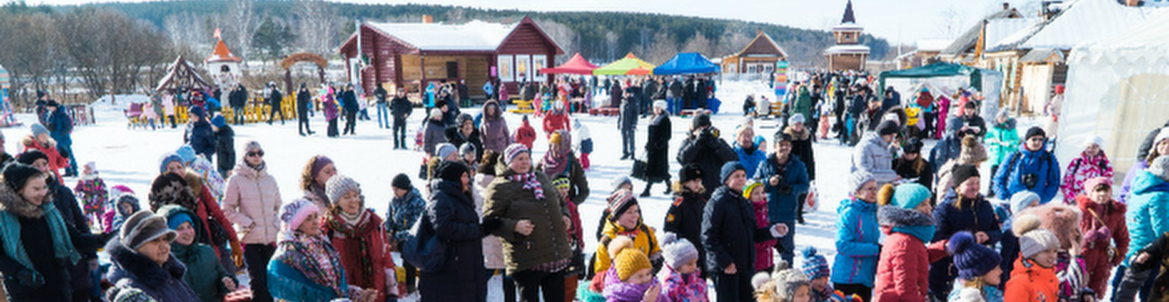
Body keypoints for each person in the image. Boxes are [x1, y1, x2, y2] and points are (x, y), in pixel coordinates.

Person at [0, 163, 111, 302]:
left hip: (58, 288)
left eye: (44, 187)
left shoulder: (50, 212)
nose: (43, 192)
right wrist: (19, 272)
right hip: (25, 292)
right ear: (18, 190)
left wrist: (103, 239)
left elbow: (76, 239)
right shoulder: (3, 219)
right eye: (36, 188)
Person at [482, 144, 573, 302]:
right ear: (509, 162)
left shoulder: (540, 177)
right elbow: (489, 221)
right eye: (519, 159)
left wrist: (565, 216)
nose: (525, 162)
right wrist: (514, 226)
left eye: (527, 158)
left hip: (554, 255)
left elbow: (560, 202)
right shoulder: (499, 187)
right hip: (526, 258)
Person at [703, 162, 789, 302]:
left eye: (743, 175)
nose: (741, 179)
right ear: (726, 180)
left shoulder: (744, 202)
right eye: (736, 176)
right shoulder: (718, 202)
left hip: (746, 265)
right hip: (726, 268)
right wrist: (725, 262)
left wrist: (772, 231)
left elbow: (753, 234)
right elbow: (708, 237)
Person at [18, 150, 97, 302]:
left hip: (74, 264)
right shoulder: (20, 200)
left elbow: (81, 224)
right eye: (36, 165)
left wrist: (92, 254)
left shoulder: (63, 192)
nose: (42, 168)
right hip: (46, 270)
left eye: (44, 164)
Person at [268, 198, 374, 302]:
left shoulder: (325, 247)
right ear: (296, 224)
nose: (315, 222)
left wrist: (359, 294)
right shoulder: (285, 255)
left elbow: (334, 288)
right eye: (308, 219)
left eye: (315, 217)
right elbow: (289, 295)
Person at [221, 141, 282, 302]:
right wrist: (247, 223)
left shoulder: (270, 179)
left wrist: (275, 224)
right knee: (257, 281)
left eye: (259, 153)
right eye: (252, 153)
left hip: (270, 238)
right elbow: (227, 209)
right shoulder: (236, 180)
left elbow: (278, 206)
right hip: (250, 238)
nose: (256, 157)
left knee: (271, 279)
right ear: (244, 156)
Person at [322, 175, 398, 302]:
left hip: (378, 296)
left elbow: (385, 259)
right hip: (346, 297)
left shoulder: (374, 224)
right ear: (336, 202)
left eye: (355, 195)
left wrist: (392, 293)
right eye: (346, 197)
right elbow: (327, 272)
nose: (353, 200)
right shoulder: (328, 230)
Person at [931, 165, 1002, 300]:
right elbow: (937, 239)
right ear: (958, 186)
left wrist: (988, 236)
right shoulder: (945, 209)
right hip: (950, 269)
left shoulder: (984, 205)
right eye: (970, 184)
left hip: (980, 270)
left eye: (977, 183)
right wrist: (967, 241)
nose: (975, 187)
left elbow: (997, 232)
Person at [418, 161, 487, 301]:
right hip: (449, 269)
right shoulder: (441, 198)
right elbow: (444, 228)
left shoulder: (459, 197)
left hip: (464, 265)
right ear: (453, 178)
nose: (468, 180)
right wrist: (479, 230)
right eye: (464, 176)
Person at [871, 183, 947, 302]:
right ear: (908, 208)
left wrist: (945, 247)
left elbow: (918, 257)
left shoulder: (910, 236)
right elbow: (905, 289)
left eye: (928, 203)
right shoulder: (904, 241)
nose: (929, 208)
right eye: (923, 204)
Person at [105, 210, 199, 302]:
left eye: (165, 239)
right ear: (135, 248)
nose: (163, 246)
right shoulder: (132, 289)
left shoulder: (169, 274)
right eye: (155, 240)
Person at [1112, 156, 1169, 300]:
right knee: (1149, 292)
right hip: (1148, 251)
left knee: (1122, 288)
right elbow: (1162, 229)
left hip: (1132, 246)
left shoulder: (1141, 188)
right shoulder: (1160, 195)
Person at [159, 205, 239, 302]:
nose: (187, 232)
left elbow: (222, 275)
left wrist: (227, 283)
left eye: (189, 226)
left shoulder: (207, 251)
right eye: (180, 228)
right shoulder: (164, 260)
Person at [755, 132, 809, 264]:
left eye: (787, 145)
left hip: (787, 213)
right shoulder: (765, 163)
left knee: (787, 249)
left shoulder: (798, 165)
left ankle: (786, 276)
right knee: (763, 247)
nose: (784, 148)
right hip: (767, 212)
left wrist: (791, 189)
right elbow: (754, 183)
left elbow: (805, 186)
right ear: (774, 146)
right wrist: (768, 182)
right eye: (781, 145)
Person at [1071, 177, 1128, 299]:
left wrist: (1117, 257)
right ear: (1090, 192)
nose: (1102, 195)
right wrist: (1085, 239)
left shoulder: (1116, 213)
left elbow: (1123, 239)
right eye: (1098, 191)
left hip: (1102, 261)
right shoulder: (1079, 211)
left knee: (1095, 294)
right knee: (1075, 293)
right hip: (1081, 258)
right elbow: (1067, 236)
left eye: (1106, 191)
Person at [831, 171, 880, 302]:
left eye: (875, 188)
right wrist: (875, 249)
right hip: (848, 278)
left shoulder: (871, 212)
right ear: (857, 191)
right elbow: (843, 245)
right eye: (869, 189)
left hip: (866, 277)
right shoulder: (850, 213)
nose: (874, 192)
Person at [593, 190, 661, 276]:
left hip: (646, 282)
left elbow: (655, 252)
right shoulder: (608, 240)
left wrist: (653, 264)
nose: (635, 216)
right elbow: (601, 273)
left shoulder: (645, 231)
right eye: (629, 212)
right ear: (618, 216)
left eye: (636, 211)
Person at [993, 127, 1061, 204]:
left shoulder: (1049, 158)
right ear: (1027, 140)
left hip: (1036, 204)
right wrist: (1003, 195)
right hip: (1013, 202)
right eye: (1034, 139)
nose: (1037, 142)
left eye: (1040, 139)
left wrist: (1044, 198)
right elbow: (999, 178)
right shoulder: (1014, 156)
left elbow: (1054, 181)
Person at [678, 113, 737, 200]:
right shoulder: (688, 142)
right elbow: (683, 159)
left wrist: (718, 147)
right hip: (696, 191)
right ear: (694, 130)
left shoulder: (718, 142)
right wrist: (697, 142)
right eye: (701, 129)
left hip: (717, 190)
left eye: (707, 128)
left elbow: (733, 160)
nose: (704, 132)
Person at [1003, 214, 1061, 302]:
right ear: (1032, 254)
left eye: (1055, 251)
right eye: (1046, 251)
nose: (1052, 256)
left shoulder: (1051, 276)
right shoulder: (1020, 282)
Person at [663, 165, 707, 279]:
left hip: (701, 251)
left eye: (699, 181)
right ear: (685, 183)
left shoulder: (702, 201)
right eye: (694, 181)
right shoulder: (679, 204)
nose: (698, 184)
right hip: (687, 254)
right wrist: (683, 242)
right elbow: (669, 227)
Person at [945, 232, 1005, 302]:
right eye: (995, 269)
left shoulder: (991, 295)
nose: (1001, 271)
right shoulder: (967, 299)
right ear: (980, 273)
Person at [537, 130, 589, 205]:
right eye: (551, 145)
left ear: (564, 146)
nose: (553, 149)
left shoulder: (572, 164)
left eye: (556, 146)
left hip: (566, 211)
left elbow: (584, 191)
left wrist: (571, 204)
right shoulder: (545, 161)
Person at [1121, 128, 1168, 203]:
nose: (1166, 147)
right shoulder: (1142, 167)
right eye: (1164, 143)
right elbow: (1125, 193)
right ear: (1156, 146)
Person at [1061, 137, 1114, 203]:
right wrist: (1073, 199)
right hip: (1073, 202)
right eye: (1088, 147)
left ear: (1099, 148)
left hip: (1094, 203)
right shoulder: (1076, 162)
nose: (1091, 149)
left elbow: (1107, 185)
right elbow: (1066, 182)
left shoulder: (1105, 165)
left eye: (1094, 147)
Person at [657, 233, 707, 302]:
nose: (694, 266)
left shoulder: (700, 283)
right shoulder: (670, 289)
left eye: (695, 262)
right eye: (690, 264)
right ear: (677, 267)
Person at [744, 181, 777, 272]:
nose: (760, 196)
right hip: (756, 261)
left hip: (768, 259)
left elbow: (770, 229)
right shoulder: (748, 212)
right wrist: (767, 242)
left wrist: (775, 237)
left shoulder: (765, 209)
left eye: (762, 192)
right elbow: (752, 236)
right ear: (749, 195)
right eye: (756, 193)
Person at [643, 100, 672, 196]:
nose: (655, 109)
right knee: (653, 168)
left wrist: (659, 144)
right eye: (654, 107)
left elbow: (667, 135)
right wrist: (648, 144)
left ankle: (648, 189)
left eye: (657, 108)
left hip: (660, 150)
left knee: (660, 169)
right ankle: (668, 185)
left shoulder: (665, 119)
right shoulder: (653, 118)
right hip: (652, 149)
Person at [43, 101, 77, 177]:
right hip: (54, 138)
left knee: (69, 154)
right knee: (61, 156)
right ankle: (67, 170)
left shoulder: (62, 115)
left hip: (63, 139)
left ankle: (75, 170)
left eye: (50, 107)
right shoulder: (51, 115)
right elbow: (49, 124)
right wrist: (49, 127)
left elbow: (69, 126)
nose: (49, 109)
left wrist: (62, 133)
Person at [985, 111, 1018, 180]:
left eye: (1003, 117)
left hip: (1006, 155)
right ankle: (991, 190)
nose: (1001, 119)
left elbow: (1016, 140)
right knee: (993, 178)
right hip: (995, 156)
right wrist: (992, 140)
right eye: (1000, 117)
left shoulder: (1011, 128)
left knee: (1004, 177)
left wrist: (1009, 143)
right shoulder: (993, 127)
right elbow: (986, 138)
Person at [74, 161, 108, 227]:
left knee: (101, 215)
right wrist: (79, 193)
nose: (85, 170)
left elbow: (104, 190)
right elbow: (77, 189)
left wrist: (105, 198)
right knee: (88, 216)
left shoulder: (98, 180)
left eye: (87, 169)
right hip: (87, 201)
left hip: (98, 201)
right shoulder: (82, 180)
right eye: (84, 168)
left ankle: (103, 227)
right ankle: (89, 228)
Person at [618, 87, 640, 160]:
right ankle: (625, 153)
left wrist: (634, 123)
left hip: (630, 123)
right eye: (624, 93)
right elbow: (620, 113)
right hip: (623, 123)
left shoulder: (634, 102)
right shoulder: (622, 101)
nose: (625, 95)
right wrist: (619, 122)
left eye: (627, 93)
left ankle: (632, 153)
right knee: (624, 139)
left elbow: (635, 114)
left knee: (631, 139)